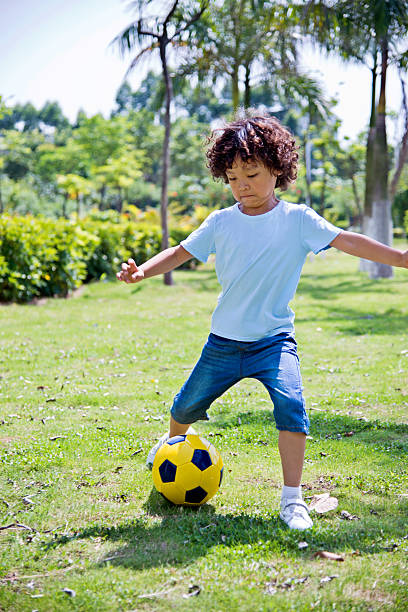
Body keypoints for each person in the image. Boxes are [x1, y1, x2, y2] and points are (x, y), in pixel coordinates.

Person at [117, 113, 408, 530]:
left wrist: (399, 257)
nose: (242, 185)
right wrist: (142, 271)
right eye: (233, 177)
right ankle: (169, 447)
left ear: (277, 168)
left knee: (292, 406)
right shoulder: (221, 222)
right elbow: (180, 251)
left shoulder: (298, 220)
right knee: (184, 407)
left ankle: (293, 500)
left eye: (251, 174)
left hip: (273, 342)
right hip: (224, 343)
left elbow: (347, 240)